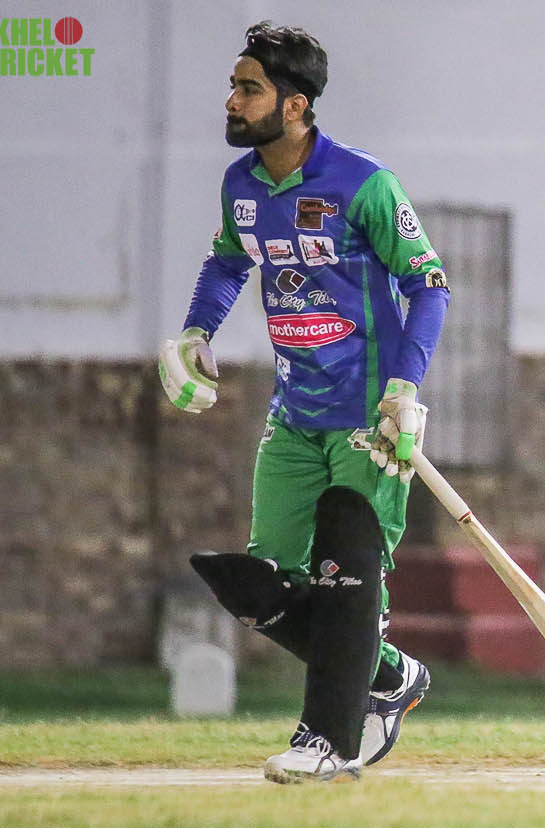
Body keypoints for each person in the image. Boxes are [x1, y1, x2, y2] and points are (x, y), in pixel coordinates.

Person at [157, 21, 450, 784]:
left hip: (369, 420)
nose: (232, 100)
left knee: (347, 576)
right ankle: (388, 675)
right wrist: (197, 332)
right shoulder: (242, 186)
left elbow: (429, 286)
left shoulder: (364, 183)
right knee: (263, 583)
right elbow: (228, 263)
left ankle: (328, 739)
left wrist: (405, 388)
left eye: (248, 88)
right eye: (234, 85)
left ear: (295, 104)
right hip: (292, 417)